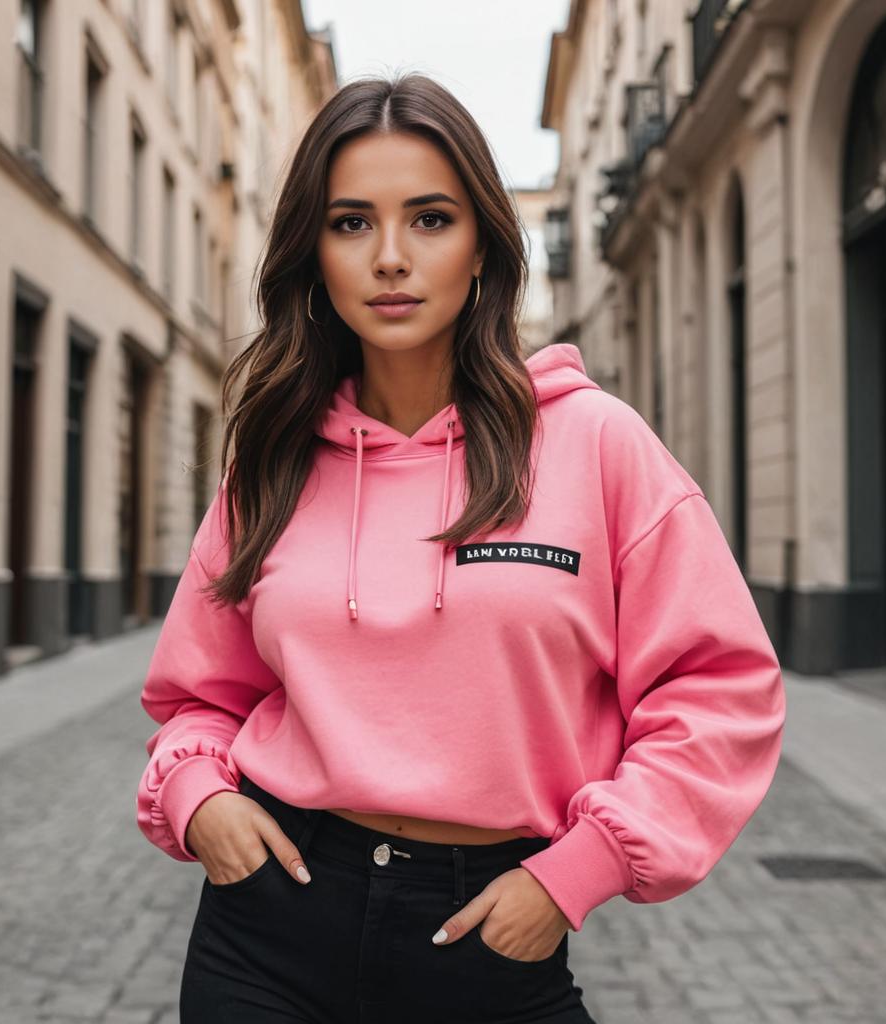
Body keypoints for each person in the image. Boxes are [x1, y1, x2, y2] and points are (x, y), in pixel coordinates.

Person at [135, 72, 786, 1024]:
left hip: (491, 929)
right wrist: (198, 796)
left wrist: (580, 870)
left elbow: (719, 689)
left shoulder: (594, 443)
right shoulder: (273, 456)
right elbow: (199, 694)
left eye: (430, 219)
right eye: (352, 222)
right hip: (268, 928)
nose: (391, 257)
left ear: (481, 243)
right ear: (313, 253)